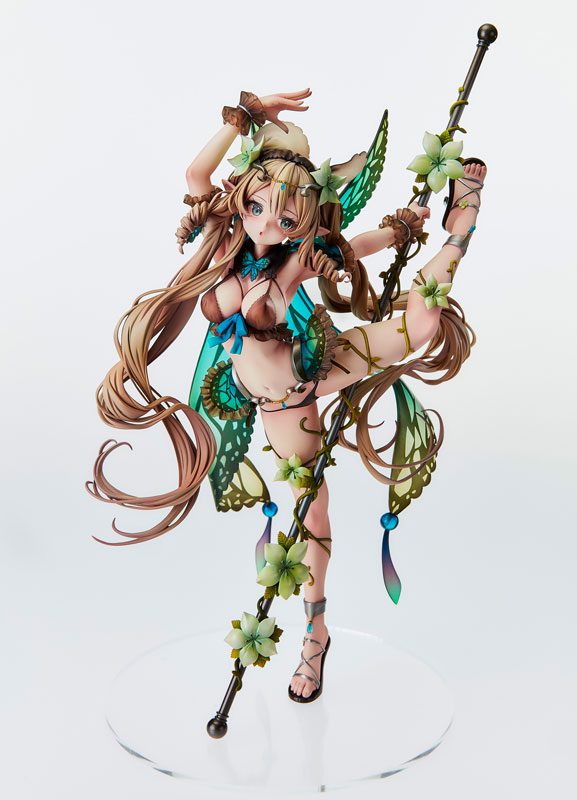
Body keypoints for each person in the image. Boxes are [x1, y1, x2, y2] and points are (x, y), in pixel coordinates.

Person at [87, 88, 486, 702]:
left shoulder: (296, 259)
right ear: (242, 198)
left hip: (312, 372)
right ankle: (316, 633)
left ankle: (462, 225)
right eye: (258, 208)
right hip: (277, 407)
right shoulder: (221, 245)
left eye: (288, 219)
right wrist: (245, 117)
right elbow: (196, 175)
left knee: (422, 324)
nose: (268, 225)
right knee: (311, 514)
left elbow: (352, 247)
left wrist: (399, 229)